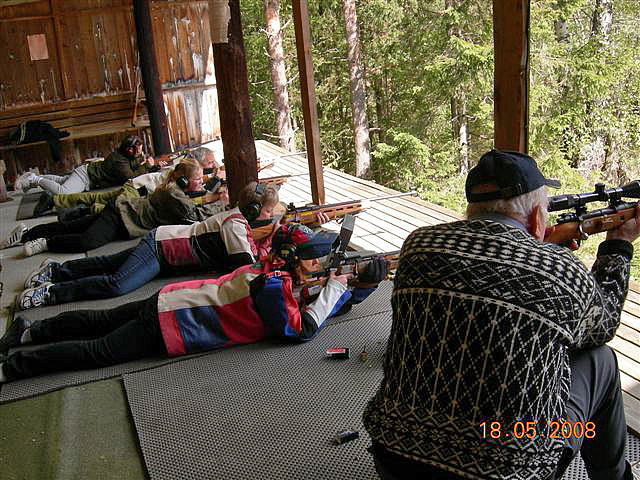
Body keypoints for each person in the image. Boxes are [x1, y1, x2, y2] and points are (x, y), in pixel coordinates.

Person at [362, 150, 640, 480]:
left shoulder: (418, 246)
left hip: (396, 459)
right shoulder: (560, 271)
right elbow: (603, 323)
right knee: (602, 360)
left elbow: (484, 289)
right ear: (538, 216)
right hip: (511, 470)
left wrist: (543, 252)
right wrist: (619, 243)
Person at [0, 223, 387, 383]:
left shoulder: (268, 269)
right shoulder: (274, 290)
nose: (322, 267)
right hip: (176, 325)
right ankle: (13, 367)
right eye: (317, 260)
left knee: (97, 321)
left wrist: (355, 281)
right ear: (295, 260)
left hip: (173, 299)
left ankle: (30, 330)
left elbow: (336, 300)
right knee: (98, 350)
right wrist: (335, 289)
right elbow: (301, 329)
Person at [15, 181, 291, 309]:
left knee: (108, 263)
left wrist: (270, 235)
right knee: (117, 284)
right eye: (268, 213)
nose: (270, 216)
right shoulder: (235, 225)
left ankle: (54, 271)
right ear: (254, 211)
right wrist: (275, 237)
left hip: (163, 246)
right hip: (161, 250)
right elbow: (245, 268)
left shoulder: (239, 221)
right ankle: (52, 293)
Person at [1, 159, 222, 257]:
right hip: (122, 216)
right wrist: (219, 200)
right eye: (198, 179)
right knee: (87, 240)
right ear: (184, 181)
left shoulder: (175, 189)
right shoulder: (174, 193)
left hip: (123, 213)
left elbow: (191, 204)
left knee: (72, 226)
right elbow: (194, 216)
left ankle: (26, 234)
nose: (201, 183)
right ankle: (45, 243)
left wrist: (211, 192)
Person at [40, 146, 220, 218]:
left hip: (137, 185)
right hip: (137, 189)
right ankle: (81, 211)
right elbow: (198, 191)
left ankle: (56, 201)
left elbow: (201, 183)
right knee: (115, 208)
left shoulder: (188, 169)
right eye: (209, 163)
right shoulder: (185, 173)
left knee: (98, 197)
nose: (212, 166)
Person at [13, 135, 151, 195]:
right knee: (64, 192)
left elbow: (132, 164)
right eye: (138, 150)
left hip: (86, 176)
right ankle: (33, 179)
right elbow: (129, 176)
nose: (140, 152)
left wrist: (147, 164)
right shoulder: (119, 160)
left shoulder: (124, 156)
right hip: (86, 176)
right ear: (129, 150)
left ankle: (37, 178)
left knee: (62, 181)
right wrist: (147, 167)